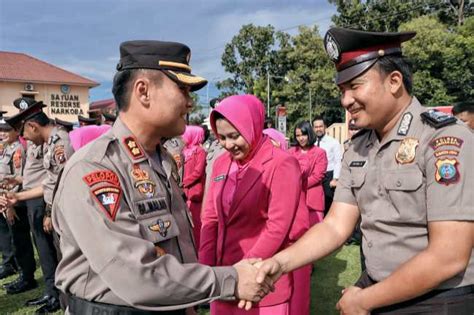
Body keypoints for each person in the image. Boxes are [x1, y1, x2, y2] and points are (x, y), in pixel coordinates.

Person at [254, 27, 474, 314]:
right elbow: (335, 226)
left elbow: (449, 256)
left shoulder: (442, 139)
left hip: (436, 301)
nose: (346, 100)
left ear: (394, 81)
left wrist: (364, 300)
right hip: (376, 289)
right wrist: (281, 263)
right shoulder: (358, 146)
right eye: (342, 90)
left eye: (355, 86)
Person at [48, 40, 270, 314]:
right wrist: (231, 280)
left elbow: (175, 246)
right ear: (143, 91)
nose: (190, 102)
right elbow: (136, 275)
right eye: (182, 89)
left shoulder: (160, 159)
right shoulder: (95, 168)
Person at [199, 94, 309, 315]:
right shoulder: (221, 163)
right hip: (223, 282)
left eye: (234, 136)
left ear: (253, 126)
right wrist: (207, 271)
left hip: (261, 283)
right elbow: (210, 219)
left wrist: (242, 273)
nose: (228, 145)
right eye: (221, 137)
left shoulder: (281, 164)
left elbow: (277, 227)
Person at [3, 98, 62, 313]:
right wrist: (17, 187)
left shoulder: (58, 142)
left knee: (51, 250)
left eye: (24, 132)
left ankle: (57, 295)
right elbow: (45, 179)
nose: (24, 138)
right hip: (38, 200)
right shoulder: (48, 141)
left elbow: (57, 183)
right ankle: (51, 292)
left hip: (47, 204)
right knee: (44, 249)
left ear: (33, 126)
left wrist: (47, 211)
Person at [0, 111, 37, 295]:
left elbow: (20, 179)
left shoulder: (17, 150)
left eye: (6, 130)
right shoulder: (6, 148)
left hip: (16, 203)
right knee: (14, 240)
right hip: (8, 201)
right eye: (0, 130)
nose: (2, 133)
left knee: (21, 241)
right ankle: (23, 274)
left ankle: (27, 277)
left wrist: (10, 205)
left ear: (16, 132)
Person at [289, 121, 328, 226]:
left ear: (309, 134)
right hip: (295, 200)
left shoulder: (320, 153)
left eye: (304, 134)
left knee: (315, 234)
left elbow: (318, 176)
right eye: (298, 135)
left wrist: (299, 185)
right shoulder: (290, 152)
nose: (301, 138)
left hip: (313, 200)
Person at [182, 125, 207, 248]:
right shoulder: (185, 152)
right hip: (184, 193)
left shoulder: (200, 151)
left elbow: (198, 172)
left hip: (194, 193)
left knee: (196, 224)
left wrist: (183, 182)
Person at [312, 115, 342, 216]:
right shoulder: (312, 143)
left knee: (328, 203)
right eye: (316, 127)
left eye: (320, 126)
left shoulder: (333, 142)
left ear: (325, 127)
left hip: (328, 176)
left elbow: (338, 161)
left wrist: (336, 178)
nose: (318, 129)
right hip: (315, 176)